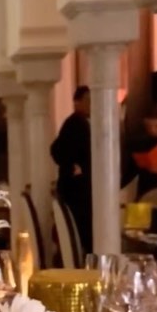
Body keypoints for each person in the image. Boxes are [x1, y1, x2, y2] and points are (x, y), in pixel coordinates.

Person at [50, 85, 92, 253]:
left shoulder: (82, 123)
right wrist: (74, 168)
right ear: (77, 102)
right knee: (80, 232)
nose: (90, 104)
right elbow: (56, 150)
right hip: (76, 191)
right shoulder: (75, 123)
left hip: (78, 189)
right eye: (87, 100)